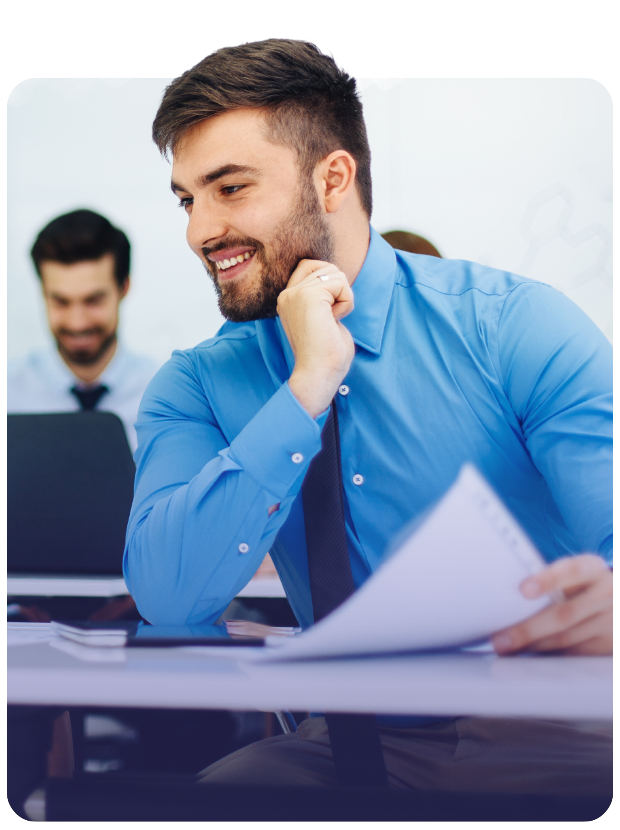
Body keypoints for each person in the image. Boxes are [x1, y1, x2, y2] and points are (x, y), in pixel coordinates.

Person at [123, 39, 619, 795]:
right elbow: (167, 597)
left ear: (333, 179)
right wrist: (307, 387)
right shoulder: (197, 383)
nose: (199, 232)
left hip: (557, 729)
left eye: (230, 188)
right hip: (348, 743)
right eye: (189, 199)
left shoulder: (515, 326)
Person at [7, 208, 158, 453]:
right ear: (42, 293)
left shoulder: (165, 395)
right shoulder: (11, 394)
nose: (77, 323)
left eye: (93, 301)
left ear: (124, 287)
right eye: (60, 301)